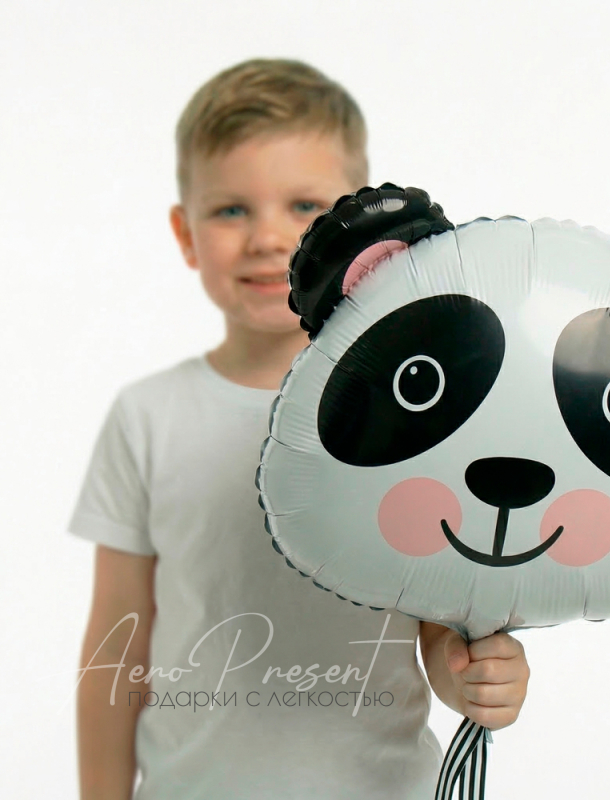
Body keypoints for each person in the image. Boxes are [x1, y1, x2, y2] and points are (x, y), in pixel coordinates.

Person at [71, 58, 530, 800]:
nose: (266, 237)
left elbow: (434, 625)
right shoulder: (147, 417)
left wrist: (474, 678)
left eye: (304, 206)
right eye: (231, 210)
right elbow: (114, 646)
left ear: (358, 233)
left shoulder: (413, 412)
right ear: (185, 233)